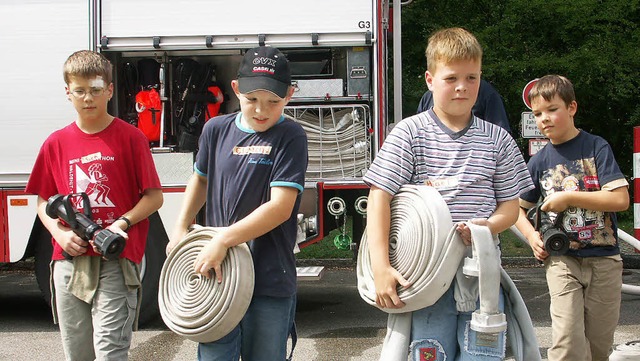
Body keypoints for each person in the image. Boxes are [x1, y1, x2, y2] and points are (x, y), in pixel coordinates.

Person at [363, 27, 534, 360]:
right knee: (430, 353)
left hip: (482, 275)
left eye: (472, 78)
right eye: (451, 77)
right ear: (429, 79)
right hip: (423, 277)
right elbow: (379, 198)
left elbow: (510, 208)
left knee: (482, 355)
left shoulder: (497, 140)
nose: (462, 87)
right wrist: (381, 267)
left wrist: (486, 228)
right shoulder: (408, 134)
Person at [166, 46, 308, 361]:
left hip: (268, 277)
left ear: (289, 95)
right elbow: (200, 179)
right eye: (252, 100)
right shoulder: (215, 129)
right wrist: (179, 226)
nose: (261, 110)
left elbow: (280, 207)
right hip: (216, 275)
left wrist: (223, 239)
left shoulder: (291, 136)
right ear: (235, 89)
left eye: (273, 101)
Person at [26, 50, 164, 360]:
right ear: (68, 92)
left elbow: (155, 197)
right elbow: (42, 199)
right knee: (78, 353)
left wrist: (121, 224)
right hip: (69, 261)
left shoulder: (131, 138)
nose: (88, 98)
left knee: (110, 352)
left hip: (115, 260)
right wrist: (60, 235)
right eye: (80, 91)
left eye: (96, 89)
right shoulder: (55, 143)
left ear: (110, 90)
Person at [514, 75, 629, 361]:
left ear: (572, 107)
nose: (544, 119)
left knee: (598, 344)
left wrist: (569, 198)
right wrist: (531, 237)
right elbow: (515, 210)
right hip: (562, 260)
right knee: (567, 340)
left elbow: (620, 199)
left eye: (552, 109)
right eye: (537, 114)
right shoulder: (538, 162)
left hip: (604, 259)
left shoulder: (596, 147)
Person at [417, 78, 512, 133]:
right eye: (450, 78)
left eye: (471, 77)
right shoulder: (429, 97)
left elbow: (501, 135)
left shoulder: (486, 93)